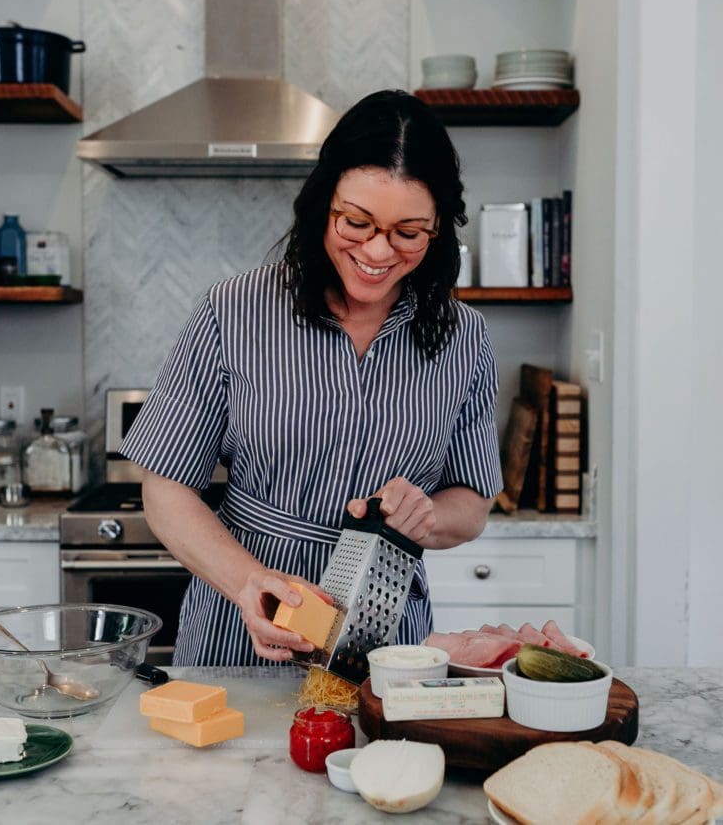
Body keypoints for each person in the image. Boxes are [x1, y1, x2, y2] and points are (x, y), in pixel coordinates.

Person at [119, 88, 502, 665]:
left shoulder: (464, 338)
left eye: (408, 232)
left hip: (385, 640)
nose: (378, 250)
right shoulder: (234, 309)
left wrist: (427, 514)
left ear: (438, 230)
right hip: (239, 630)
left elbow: (471, 503)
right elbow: (166, 489)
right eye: (357, 221)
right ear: (323, 202)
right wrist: (250, 583)